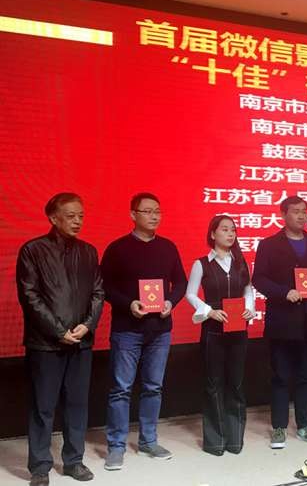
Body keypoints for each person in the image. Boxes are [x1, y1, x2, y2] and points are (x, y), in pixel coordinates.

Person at [16, 193, 105, 486]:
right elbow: (30, 296)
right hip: (45, 344)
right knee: (43, 406)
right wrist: (57, 331)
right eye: (70, 215)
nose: (77, 221)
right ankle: (40, 467)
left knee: (77, 404)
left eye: (81, 215)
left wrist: (87, 325)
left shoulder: (89, 252)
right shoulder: (33, 250)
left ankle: (74, 461)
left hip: (81, 342)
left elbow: (98, 292)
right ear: (53, 218)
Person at [101, 193, 187, 470]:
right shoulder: (118, 248)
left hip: (160, 330)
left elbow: (181, 283)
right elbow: (104, 287)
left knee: (153, 387)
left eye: (157, 211)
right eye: (147, 211)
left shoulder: (168, 247)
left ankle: (149, 441)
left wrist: (170, 302)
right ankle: (116, 446)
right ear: (133, 214)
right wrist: (129, 304)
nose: (154, 216)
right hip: (127, 329)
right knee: (121, 390)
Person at [252, 195, 307, 449]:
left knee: (306, 376)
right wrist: (283, 292)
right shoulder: (268, 245)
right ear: (283, 214)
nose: (301, 216)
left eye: (304, 211)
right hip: (282, 321)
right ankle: (279, 427)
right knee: (281, 376)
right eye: (296, 211)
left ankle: (305, 425)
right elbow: (259, 279)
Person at [185, 215, 256, 455]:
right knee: (213, 384)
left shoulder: (241, 263)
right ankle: (215, 441)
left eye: (233, 230)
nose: (230, 234)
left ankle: (235, 440)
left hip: (238, 329)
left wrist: (250, 308)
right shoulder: (201, 264)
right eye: (224, 229)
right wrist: (208, 311)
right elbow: (190, 294)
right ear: (213, 234)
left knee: (236, 383)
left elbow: (248, 290)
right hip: (213, 330)